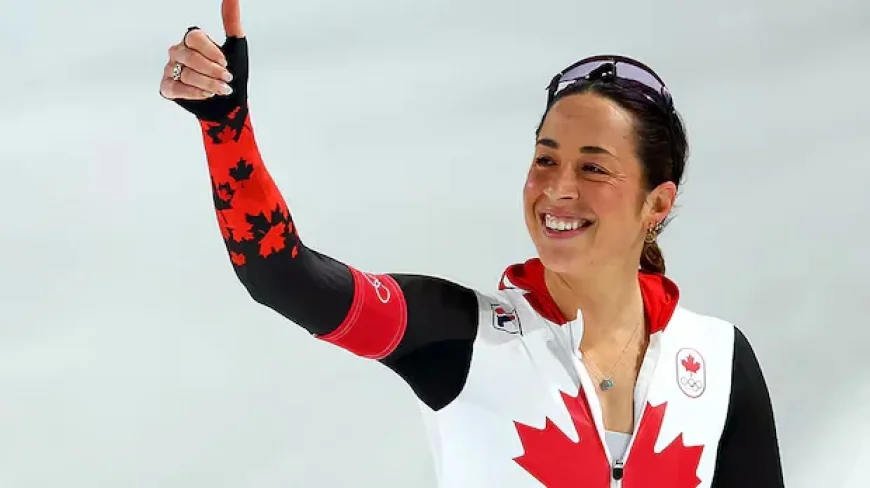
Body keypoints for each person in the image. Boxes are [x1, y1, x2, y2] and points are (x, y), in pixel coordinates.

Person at [158, 2, 785, 486]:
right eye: (546, 159)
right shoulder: (461, 336)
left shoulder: (718, 362)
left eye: (593, 167)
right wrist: (226, 127)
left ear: (658, 203)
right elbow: (281, 274)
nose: (558, 189)